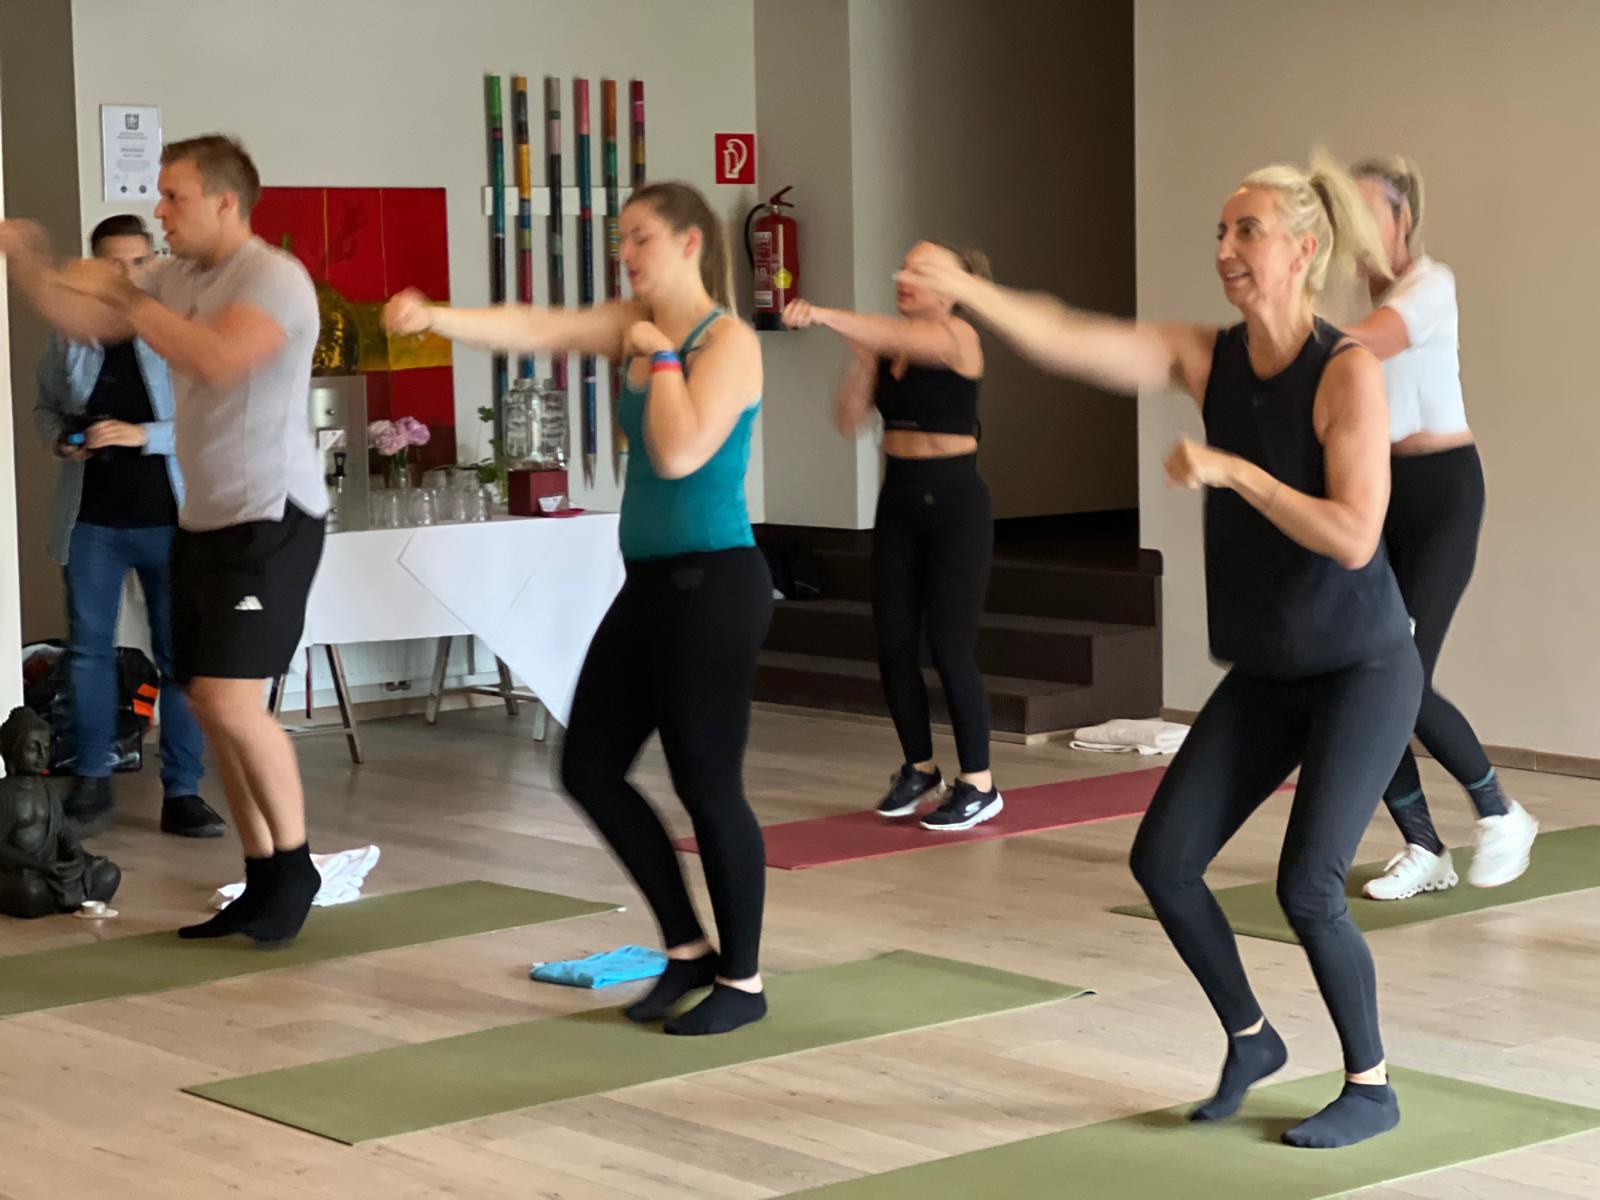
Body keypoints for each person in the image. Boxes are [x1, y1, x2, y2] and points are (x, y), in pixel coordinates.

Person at [901, 154, 1421, 1149]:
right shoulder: (1204, 356)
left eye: (1246, 231)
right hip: (1270, 671)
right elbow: (1073, 338)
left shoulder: (1344, 370)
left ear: (1303, 249)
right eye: (1220, 233)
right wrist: (970, 290)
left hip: (1363, 667)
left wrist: (1236, 472)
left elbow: (1356, 536)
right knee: (1165, 862)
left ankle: (1372, 1085)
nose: (1224, 249)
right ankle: (1251, 1038)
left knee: (1308, 886)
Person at [383, 180, 771, 1036]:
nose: (624, 254)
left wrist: (658, 358)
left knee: (708, 786)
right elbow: (537, 326)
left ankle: (742, 982)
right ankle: (686, 949)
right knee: (589, 767)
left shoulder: (727, 342)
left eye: (640, 238)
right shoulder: (632, 325)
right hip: (651, 587)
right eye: (620, 238)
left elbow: (678, 452)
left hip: (716, 586)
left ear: (690, 244)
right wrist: (437, 316)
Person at [1, 134, 328, 946]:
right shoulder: (179, 277)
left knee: (232, 700)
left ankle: (296, 868)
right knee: (209, 702)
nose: (160, 209)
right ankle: (262, 874)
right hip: (204, 519)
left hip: (271, 516)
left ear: (224, 201)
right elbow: (83, 318)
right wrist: (30, 260)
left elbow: (216, 360)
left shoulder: (272, 277)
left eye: (174, 195)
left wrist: (130, 293)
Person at [1340, 155, 1537, 901]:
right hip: (1381, 495)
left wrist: (1278, 329)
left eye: (1368, 211)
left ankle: (1501, 813)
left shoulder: (1430, 285)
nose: (1356, 228)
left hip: (1444, 494)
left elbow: (1364, 343)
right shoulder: (1354, 303)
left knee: (1402, 675)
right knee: (1360, 674)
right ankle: (1423, 846)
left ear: (1403, 219)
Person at [780, 243, 1001, 830]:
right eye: (902, 268)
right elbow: (847, 420)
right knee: (894, 642)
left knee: (949, 645)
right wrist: (861, 359)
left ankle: (979, 784)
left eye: (920, 272)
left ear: (952, 290)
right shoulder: (886, 343)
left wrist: (824, 314)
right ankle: (920, 767)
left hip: (955, 502)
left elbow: (905, 338)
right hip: (900, 500)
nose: (903, 277)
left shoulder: (958, 336)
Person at [34, 213, 220, 840]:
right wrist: (61, 442)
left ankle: (183, 792)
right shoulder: (71, 332)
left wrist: (143, 436)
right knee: (88, 654)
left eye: (140, 261)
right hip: (91, 520)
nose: (128, 274)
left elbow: (209, 416)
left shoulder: (179, 329)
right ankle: (92, 779)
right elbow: (46, 408)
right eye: (113, 262)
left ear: (155, 262)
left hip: (173, 518)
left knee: (180, 657)